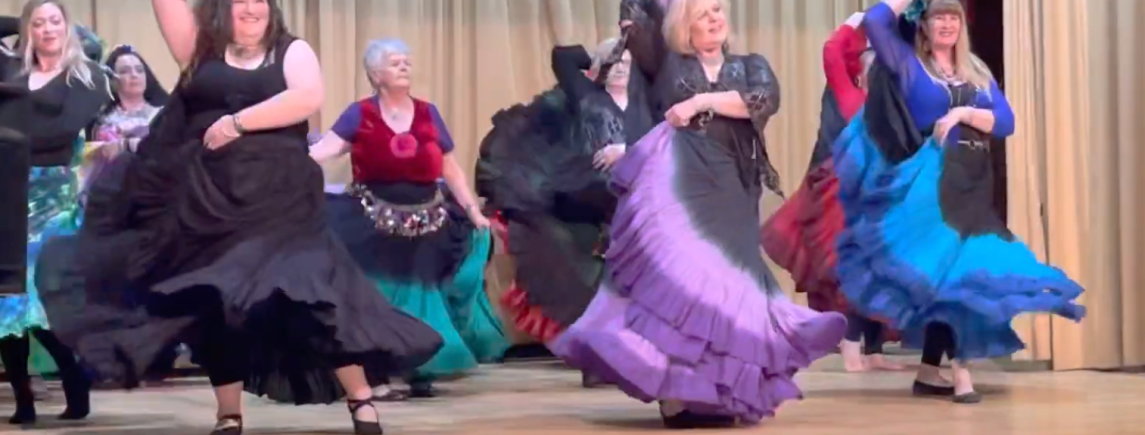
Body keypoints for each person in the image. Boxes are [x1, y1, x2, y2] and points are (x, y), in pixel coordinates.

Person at [36, 1, 445, 434]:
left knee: (315, 296)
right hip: (211, 203)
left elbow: (306, 97)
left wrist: (237, 122)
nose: (251, 6)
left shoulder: (291, 50)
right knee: (218, 305)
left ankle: (361, 401)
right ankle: (228, 415)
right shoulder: (202, 49)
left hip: (284, 201)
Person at [548, 0, 846, 428]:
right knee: (679, 284)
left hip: (733, 189)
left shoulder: (751, 65)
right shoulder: (667, 63)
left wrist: (699, 102)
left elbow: (762, 100)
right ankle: (673, 394)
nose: (715, 18)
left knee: (726, 291)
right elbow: (640, 14)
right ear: (682, 24)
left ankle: (718, 395)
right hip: (677, 183)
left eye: (718, 9)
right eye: (703, 12)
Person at [831, 0, 1086, 404]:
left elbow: (1006, 121)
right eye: (939, 17)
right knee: (955, 277)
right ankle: (961, 373)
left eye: (953, 17)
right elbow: (877, 20)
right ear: (925, 25)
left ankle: (928, 372)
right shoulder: (910, 65)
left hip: (975, 181)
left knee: (955, 279)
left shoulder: (976, 70)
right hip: (932, 184)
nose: (947, 24)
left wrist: (964, 113)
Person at [310, 38, 506, 401]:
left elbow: (450, 168)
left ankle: (422, 366)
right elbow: (325, 150)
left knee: (424, 291)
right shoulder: (360, 113)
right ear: (375, 74)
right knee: (382, 293)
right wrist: (281, 157)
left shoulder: (428, 113)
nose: (404, 67)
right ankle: (380, 371)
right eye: (394, 62)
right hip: (373, 221)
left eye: (406, 61)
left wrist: (473, 210)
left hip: (430, 218)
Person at [480, 37, 655, 388]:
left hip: (637, 200)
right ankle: (596, 359)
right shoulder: (587, 96)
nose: (621, 68)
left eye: (627, 63)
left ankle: (630, 357)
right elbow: (562, 56)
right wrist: (602, 56)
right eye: (614, 63)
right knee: (590, 281)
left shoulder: (648, 105)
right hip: (585, 197)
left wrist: (627, 151)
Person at [760, 13, 903, 373]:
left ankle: (874, 350)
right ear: (861, 76)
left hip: (880, 200)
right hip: (845, 200)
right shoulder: (849, 97)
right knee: (851, 271)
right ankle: (851, 347)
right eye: (874, 74)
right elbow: (831, 52)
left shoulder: (892, 112)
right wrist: (854, 23)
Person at [0, 1, 111, 424]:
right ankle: (23, 400)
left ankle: (75, 381)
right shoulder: (13, 70)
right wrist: (18, 22)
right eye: (38, 23)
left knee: (42, 300)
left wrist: (11, 132)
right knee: (6, 301)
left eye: (55, 21)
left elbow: (59, 132)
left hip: (51, 198)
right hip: (7, 190)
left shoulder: (87, 76)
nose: (47, 29)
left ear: (69, 27)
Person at [82, 44, 168, 197]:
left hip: (156, 191)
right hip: (110, 194)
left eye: (139, 70)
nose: (134, 75)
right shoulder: (99, 121)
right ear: (112, 80)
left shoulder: (164, 114)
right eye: (124, 71)